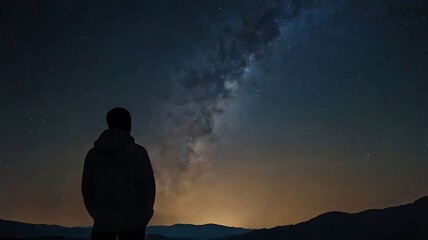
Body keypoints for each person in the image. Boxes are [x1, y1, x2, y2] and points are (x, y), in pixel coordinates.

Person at [82, 107, 156, 240]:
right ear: (127, 124)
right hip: (132, 225)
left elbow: (87, 190)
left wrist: (98, 215)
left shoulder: (92, 155)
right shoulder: (137, 153)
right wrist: (142, 219)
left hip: (102, 225)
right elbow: (147, 189)